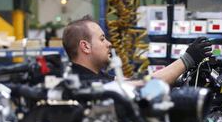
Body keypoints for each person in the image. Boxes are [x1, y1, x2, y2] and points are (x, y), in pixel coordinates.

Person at [62, 15, 212, 85]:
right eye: (102, 39)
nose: (109, 43)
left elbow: (138, 81)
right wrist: (187, 59)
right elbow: (145, 86)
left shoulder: (97, 76)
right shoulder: (83, 83)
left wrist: (178, 80)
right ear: (85, 46)